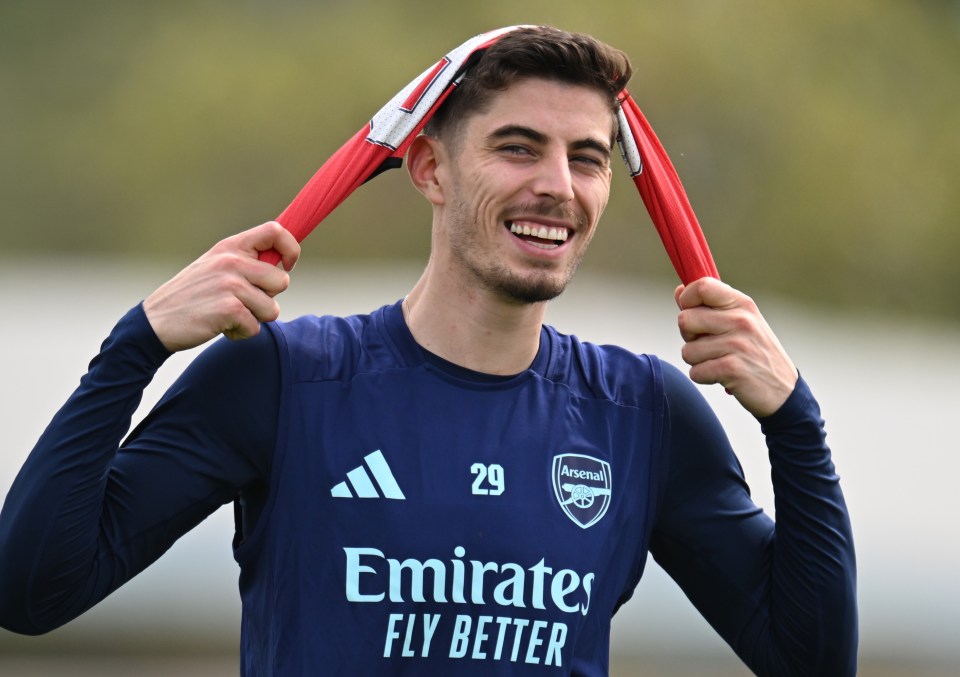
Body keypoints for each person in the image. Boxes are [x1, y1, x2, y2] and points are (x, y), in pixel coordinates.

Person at [0, 25, 856, 676]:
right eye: (518, 147)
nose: (557, 184)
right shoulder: (285, 378)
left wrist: (794, 419)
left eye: (587, 159)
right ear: (429, 169)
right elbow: (32, 589)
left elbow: (812, 658)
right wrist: (134, 347)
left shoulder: (643, 413)